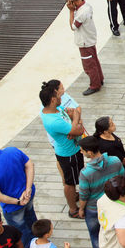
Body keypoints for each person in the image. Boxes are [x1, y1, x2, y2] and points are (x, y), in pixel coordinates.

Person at [39, 82, 85, 219]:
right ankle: (73, 209)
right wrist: (76, 123)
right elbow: (78, 128)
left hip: (71, 148)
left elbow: (75, 112)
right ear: (53, 99)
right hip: (68, 154)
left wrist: (74, 123)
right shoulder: (53, 121)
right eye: (58, 96)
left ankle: (74, 195)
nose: (61, 98)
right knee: (69, 183)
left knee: (75, 177)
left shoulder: (53, 109)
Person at [78, 136, 125, 248]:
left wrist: (81, 209)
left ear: (89, 152)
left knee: (95, 232)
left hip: (94, 207)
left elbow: (84, 195)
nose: (80, 152)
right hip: (115, 202)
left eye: (82, 150)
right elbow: (122, 179)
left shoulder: (85, 173)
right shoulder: (115, 160)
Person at [64, 0, 103, 95]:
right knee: (94, 60)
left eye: (67, 1)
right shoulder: (87, 6)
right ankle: (99, 79)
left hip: (85, 41)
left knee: (89, 65)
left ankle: (95, 85)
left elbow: (73, 26)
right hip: (90, 39)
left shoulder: (81, 13)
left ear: (71, 1)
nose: (66, 4)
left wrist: (71, 11)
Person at [0, 147, 36, 248]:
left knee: (20, 229)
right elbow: (29, 165)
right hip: (28, 196)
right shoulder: (12, 151)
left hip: (12, 206)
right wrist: (28, 188)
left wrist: (18, 201)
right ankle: (38, 239)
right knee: (31, 217)